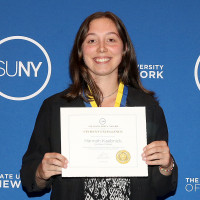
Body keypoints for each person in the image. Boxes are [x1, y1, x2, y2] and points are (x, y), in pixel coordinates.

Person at [20, 11, 178, 200]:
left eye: (111, 40)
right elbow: (30, 178)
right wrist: (40, 172)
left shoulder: (147, 108)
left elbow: (161, 188)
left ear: (124, 48)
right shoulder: (55, 107)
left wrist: (166, 165)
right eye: (92, 41)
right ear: (80, 51)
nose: (102, 49)